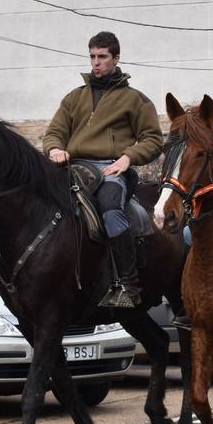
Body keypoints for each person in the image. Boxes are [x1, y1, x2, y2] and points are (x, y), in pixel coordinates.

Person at [43, 31, 163, 308]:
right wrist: (53, 150)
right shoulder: (74, 97)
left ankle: (127, 285)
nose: (96, 63)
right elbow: (54, 132)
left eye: (102, 57)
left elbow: (153, 139)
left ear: (116, 58)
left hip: (111, 170)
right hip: (73, 167)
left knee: (110, 212)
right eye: (93, 57)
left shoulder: (136, 100)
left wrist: (127, 158)